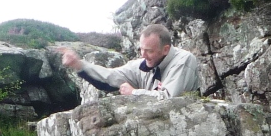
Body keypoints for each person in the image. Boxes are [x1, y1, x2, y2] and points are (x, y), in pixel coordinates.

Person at [58, 24, 199, 100]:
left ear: (165, 49)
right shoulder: (141, 65)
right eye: (141, 49)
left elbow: (169, 99)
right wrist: (79, 65)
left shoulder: (184, 60)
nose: (143, 55)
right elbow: (109, 78)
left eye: (149, 51)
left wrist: (134, 93)